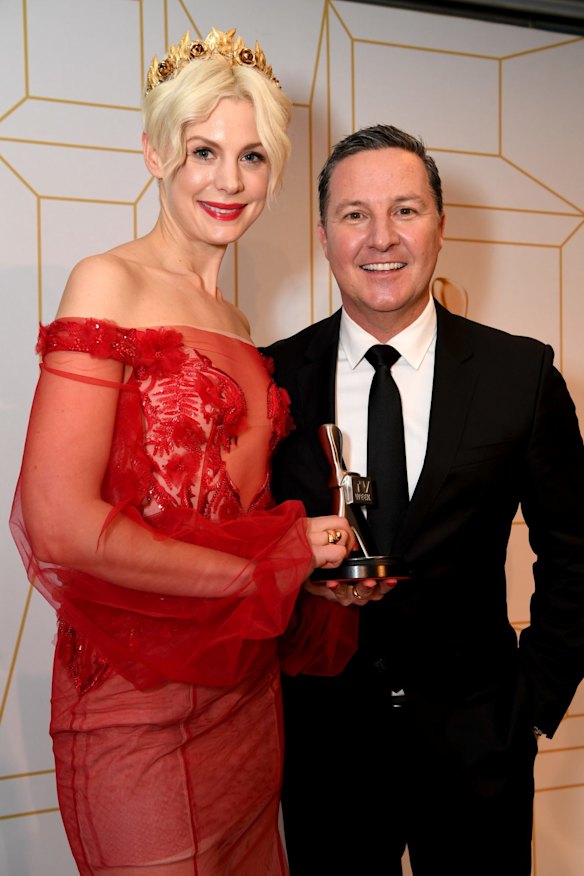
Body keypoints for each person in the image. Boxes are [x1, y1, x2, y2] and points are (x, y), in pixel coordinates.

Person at [9, 29, 358, 876]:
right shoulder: (108, 282)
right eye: (204, 150)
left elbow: (217, 519)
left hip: (246, 698)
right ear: (156, 151)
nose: (229, 181)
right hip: (133, 701)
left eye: (253, 156)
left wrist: (305, 561)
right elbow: (57, 525)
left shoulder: (238, 324)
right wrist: (266, 563)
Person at [265, 124, 584, 876]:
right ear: (323, 235)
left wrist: (529, 705)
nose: (382, 238)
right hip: (324, 757)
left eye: (406, 210)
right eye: (354, 215)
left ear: (440, 227)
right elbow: (244, 551)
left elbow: (576, 553)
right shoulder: (271, 378)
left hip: (481, 753)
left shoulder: (520, 375)